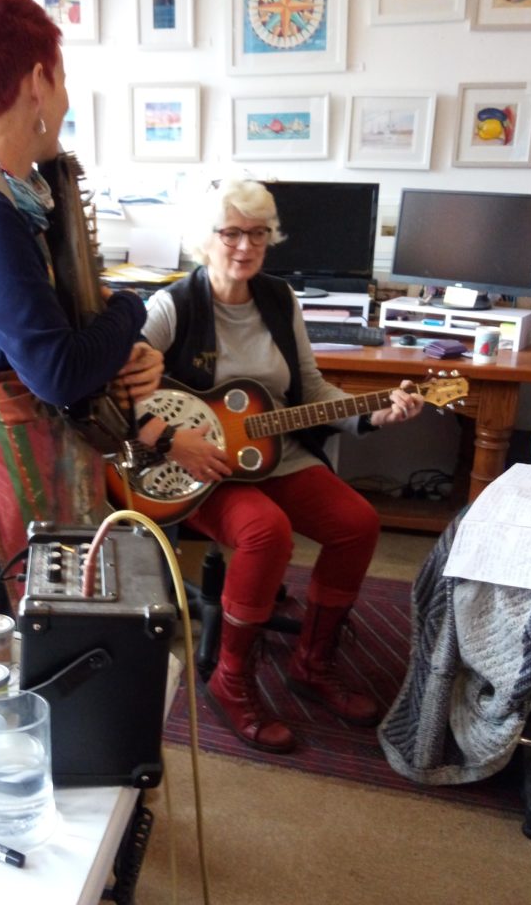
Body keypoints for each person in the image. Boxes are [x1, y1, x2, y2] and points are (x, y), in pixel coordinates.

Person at [139, 178, 424, 754]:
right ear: (204, 238)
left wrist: (372, 413)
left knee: (358, 523)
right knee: (265, 532)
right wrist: (169, 440)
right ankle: (230, 679)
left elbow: (310, 388)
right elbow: (113, 390)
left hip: (276, 454)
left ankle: (312, 664)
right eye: (231, 233)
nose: (246, 246)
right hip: (200, 470)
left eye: (259, 233)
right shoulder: (172, 307)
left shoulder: (279, 299)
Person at [0, 0, 162, 596]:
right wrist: (131, 310)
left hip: (24, 450)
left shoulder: (4, 197)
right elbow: (58, 373)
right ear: (38, 82)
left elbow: (48, 337)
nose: (66, 98)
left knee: (60, 634)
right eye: (63, 79)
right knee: (37, 640)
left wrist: (119, 348)